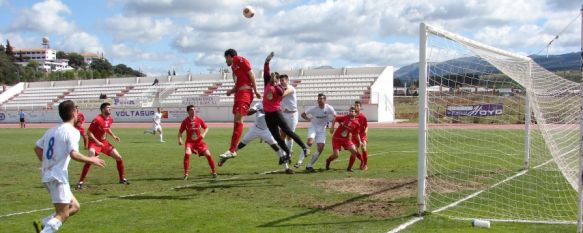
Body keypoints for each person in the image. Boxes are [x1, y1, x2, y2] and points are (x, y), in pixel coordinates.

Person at [32, 100, 106, 233]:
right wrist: (91, 159)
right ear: (73, 113)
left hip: (48, 175)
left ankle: (43, 224)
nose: (78, 113)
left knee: (75, 206)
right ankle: (45, 230)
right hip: (58, 177)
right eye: (77, 110)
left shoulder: (51, 130)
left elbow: (37, 148)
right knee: (63, 214)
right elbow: (74, 154)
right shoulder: (72, 131)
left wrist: (47, 164)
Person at [260, 51, 308, 166]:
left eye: (275, 78)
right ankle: (288, 153)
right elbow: (266, 72)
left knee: (288, 132)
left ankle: (304, 147)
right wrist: (267, 61)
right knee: (277, 138)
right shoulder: (267, 83)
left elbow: (281, 93)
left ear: (277, 80)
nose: (272, 78)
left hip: (277, 113)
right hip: (268, 115)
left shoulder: (278, 89)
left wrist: (276, 84)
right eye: (273, 76)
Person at [220, 102, 292, 173]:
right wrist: (257, 110)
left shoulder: (274, 105)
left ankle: (286, 168)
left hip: (266, 130)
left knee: (276, 148)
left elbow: (277, 116)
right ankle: (228, 155)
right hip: (255, 129)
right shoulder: (259, 104)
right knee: (241, 145)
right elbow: (248, 113)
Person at [219, 49, 261, 162]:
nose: (225, 61)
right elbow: (238, 84)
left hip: (245, 94)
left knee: (239, 121)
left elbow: (251, 74)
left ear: (229, 56)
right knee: (236, 123)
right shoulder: (233, 67)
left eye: (225, 58)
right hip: (238, 94)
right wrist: (230, 91)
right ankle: (232, 150)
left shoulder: (240, 60)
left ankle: (232, 150)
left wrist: (256, 90)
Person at [76, 103, 129, 190]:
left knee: (119, 158)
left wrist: (114, 136)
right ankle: (80, 182)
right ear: (102, 109)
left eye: (110, 108)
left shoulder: (110, 119)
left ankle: (122, 179)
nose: (110, 109)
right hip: (94, 143)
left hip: (104, 143)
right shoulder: (97, 119)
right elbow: (89, 133)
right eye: (108, 108)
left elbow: (107, 128)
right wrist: (97, 142)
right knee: (90, 160)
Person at [295, 93, 336, 172]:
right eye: (319, 99)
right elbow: (303, 114)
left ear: (325, 100)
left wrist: (332, 127)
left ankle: (309, 165)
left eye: (321, 99)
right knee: (310, 142)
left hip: (322, 130)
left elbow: (335, 116)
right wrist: (308, 119)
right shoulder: (313, 108)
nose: (320, 100)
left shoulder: (329, 108)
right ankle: (299, 162)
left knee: (320, 148)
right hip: (313, 128)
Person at [178, 105, 217, 180]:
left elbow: (206, 128)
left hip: (199, 142)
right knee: (187, 153)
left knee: (208, 154)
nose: (193, 111)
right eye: (191, 109)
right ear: (188, 111)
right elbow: (180, 132)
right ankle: (186, 174)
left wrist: (203, 134)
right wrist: (179, 139)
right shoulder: (185, 121)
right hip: (190, 142)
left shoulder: (199, 120)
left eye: (194, 109)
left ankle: (214, 172)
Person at [325, 106, 361, 172]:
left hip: (346, 140)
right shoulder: (345, 117)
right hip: (337, 138)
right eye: (350, 111)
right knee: (336, 155)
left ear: (356, 113)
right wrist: (332, 127)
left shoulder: (357, 124)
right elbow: (335, 118)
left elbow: (356, 134)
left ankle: (349, 168)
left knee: (354, 151)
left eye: (352, 111)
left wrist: (359, 142)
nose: (351, 112)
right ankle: (328, 161)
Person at [279, 74, 299, 157]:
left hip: (292, 114)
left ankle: (289, 152)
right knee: (282, 134)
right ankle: (283, 153)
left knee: (289, 134)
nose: (282, 82)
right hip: (283, 114)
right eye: (281, 81)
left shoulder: (290, 88)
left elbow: (283, 94)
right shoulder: (279, 88)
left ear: (287, 81)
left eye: (283, 80)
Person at [353, 101, 369, 170]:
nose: (356, 107)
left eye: (358, 105)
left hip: (362, 135)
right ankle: (362, 160)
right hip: (355, 136)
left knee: (363, 148)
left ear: (360, 107)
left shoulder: (363, 117)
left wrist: (365, 131)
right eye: (355, 105)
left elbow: (367, 126)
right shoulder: (352, 116)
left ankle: (365, 165)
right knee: (354, 150)